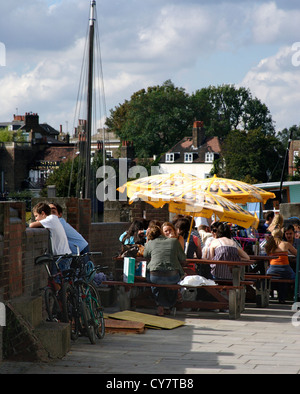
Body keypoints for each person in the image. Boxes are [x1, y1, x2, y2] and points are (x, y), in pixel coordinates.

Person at [143, 225, 186, 316]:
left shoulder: (150, 243)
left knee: (155, 283)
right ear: (162, 233)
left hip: (154, 276)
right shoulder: (174, 241)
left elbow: (145, 255)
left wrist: (147, 240)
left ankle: (160, 306)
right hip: (172, 277)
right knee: (171, 283)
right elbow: (183, 258)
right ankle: (168, 306)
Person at [29, 202, 72, 272]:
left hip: (61, 256)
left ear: (43, 213)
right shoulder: (53, 219)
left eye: (36, 216)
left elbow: (31, 225)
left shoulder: (50, 219)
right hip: (64, 255)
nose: (36, 219)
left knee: (58, 280)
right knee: (61, 279)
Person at [265, 227, 297, 303]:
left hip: (272, 270)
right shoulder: (286, 244)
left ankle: (272, 293)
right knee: (294, 276)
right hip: (285, 270)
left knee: (269, 274)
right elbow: (297, 253)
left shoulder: (268, 245)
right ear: (281, 235)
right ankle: (284, 296)